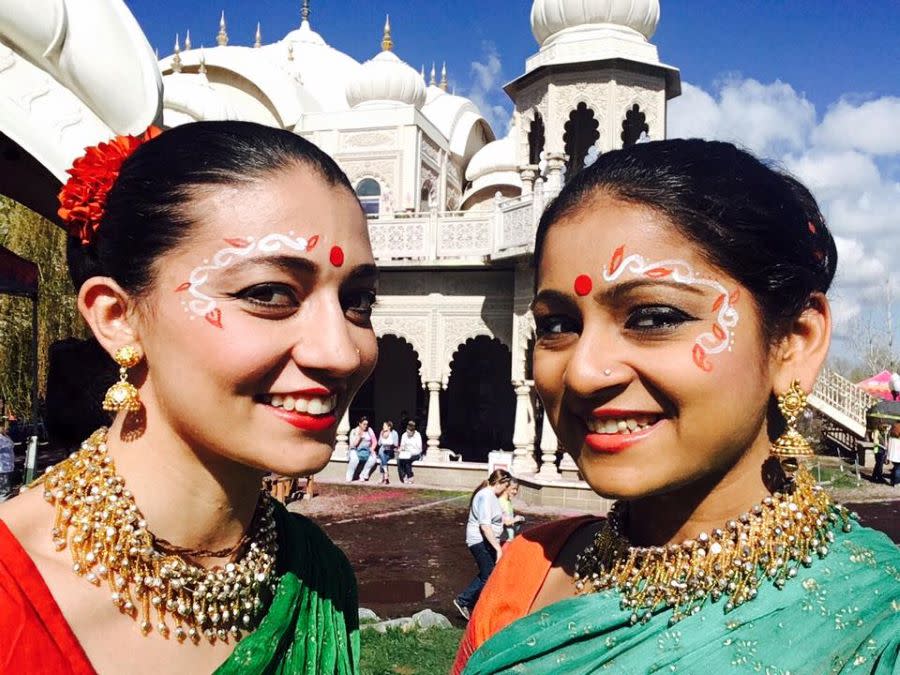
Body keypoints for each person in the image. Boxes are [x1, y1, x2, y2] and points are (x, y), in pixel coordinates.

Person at [453, 139, 900, 674]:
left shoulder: (877, 624)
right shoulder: (527, 571)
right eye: (556, 325)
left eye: (653, 317)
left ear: (794, 342)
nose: (584, 371)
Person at [0, 121, 378, 673]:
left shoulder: (319, 578)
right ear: (119, 318)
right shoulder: (14, 595)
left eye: (359, 301)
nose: (342, 353)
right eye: (270, 293)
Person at [453, 469, 512, 621]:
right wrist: (498, 549)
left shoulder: (491, 496)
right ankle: (464, 601)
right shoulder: (485, 496)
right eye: (506, 485)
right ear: (500, 483)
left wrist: (513, 520)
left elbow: (496, 520)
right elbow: (485, 526)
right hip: (479, 541)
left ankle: (469, 602)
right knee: (488, 575)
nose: (506, 489)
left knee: (487, 573)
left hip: (486, 541)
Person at [345, 416, 378, 482]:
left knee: (373, 458)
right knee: (354, 459)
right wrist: (359, 436)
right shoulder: (354, 431)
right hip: (355, 450)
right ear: (360, 424)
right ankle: (349, 477)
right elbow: (353, 445)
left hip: (366, 450)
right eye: (364, 424)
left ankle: (363, 475)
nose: (366, 426)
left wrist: (372, 448)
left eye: (367, 424)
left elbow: (374, 441)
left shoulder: (369, 430)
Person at [0, 420, 14, 502]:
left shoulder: (5, 436)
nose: (8, 428)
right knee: (4, 491)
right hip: (2, 466)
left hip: (7, 466)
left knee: (6, 489)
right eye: (6, 426)